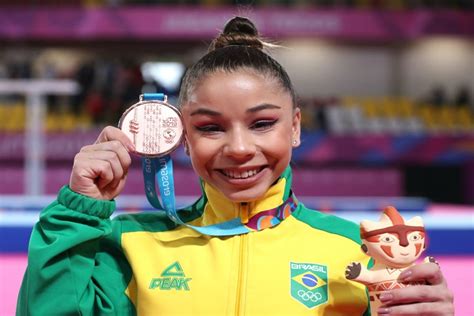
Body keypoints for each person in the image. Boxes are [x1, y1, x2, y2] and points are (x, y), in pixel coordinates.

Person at [17, 17, 453, 315]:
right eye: (211, 128)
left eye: (262, 123)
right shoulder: (128, 245)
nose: (240, 148)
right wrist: (76, 216)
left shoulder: (356, 251)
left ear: (296, 126)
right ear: (182, 138)